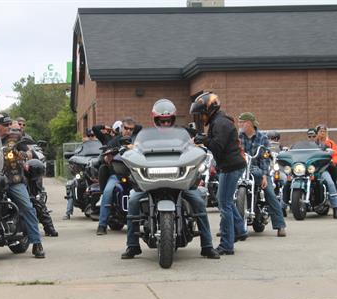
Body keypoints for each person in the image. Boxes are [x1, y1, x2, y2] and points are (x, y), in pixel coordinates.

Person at [121, 99, 220, 259]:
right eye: (161, 120)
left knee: (199, 201)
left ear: (173, 119)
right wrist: (128, 148)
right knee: (133, 200)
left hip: (180, 182)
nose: (165, 123)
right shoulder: (146, 138)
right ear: (155, 119)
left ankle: (207, 246)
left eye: (168, 120)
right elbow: (137, 148)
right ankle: (132, 245)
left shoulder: (183, 136)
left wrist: (198, 144)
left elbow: (191, 146)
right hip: (151, 182)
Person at [190, 92, 247, 255]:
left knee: (224, 204)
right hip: (230, 165)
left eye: (201, 114)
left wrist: (203, 140)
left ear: (209, 110)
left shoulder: (220, 123)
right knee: (227, 202)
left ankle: (227, 245)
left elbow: (217, 146)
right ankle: (240, 230)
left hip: (231, 166)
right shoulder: (218, 121)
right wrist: (203, 138)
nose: (200, 118)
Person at [0, 113, 46, 257]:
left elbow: (30, 152)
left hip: (12, 179)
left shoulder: (15, 137)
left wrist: (21, 155)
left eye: (9, 124)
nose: (8, 127)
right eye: (5, 125)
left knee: (27, 207)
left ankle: (37, 243)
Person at [238, 113, 287, 237]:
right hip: (241, 169)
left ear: (248, 123)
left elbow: (265, 157)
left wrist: (265, 175)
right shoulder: (238, 137)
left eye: (241, 122)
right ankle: (226, 228)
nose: (239, 125)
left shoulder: (262, 138)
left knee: (269, 192)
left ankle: (280, 226)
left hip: (258, 169)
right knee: (228, 193)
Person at [96, 117, 140, 235]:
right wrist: (108, 156)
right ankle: (102, 225)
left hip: (136, 175)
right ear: (121, 128)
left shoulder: (137, 141)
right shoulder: (115, 141)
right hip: (118, 175)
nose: (128, 131)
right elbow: (106, 155)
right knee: (107, 192)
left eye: (131, 129)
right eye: (126, 128)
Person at [15, 118, 58, 236]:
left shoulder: (23, 138)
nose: (21, 127)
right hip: (3, 174)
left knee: (33, 198)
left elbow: (31, 152)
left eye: (23, 125)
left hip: (21, 173)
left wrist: (25, 155)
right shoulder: (0, 139)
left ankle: (48, 227)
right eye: (18, 124)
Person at [315, 124, 337, 219]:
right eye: (320, 131)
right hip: (311, 169)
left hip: (323, 169)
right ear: (317, 133)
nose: (322, 133)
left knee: (330, 183)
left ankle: (336, 208)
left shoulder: (330, 143)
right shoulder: (313, 144)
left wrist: (333, 162)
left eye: (324, 131)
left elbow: (335, 154)